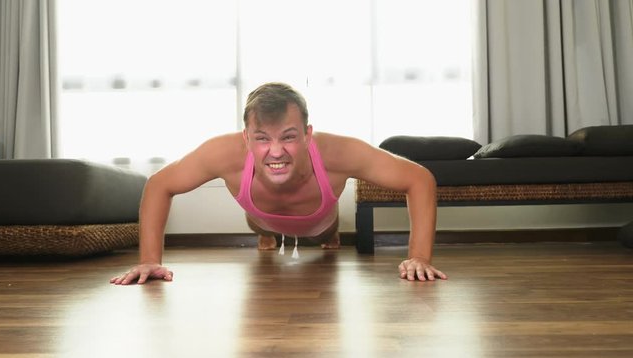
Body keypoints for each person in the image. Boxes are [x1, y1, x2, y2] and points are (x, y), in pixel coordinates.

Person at [111, 82, 447, 285]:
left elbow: (419, 179)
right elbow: (159, 185)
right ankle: (268, 234)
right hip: (260, 217)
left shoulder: (338, 151)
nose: (275, 151)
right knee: (260, 225)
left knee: (322, 236)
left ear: (307, 134)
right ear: (246, 138)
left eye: (288, 137)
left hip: (319, 222)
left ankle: (327, 235)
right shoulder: (222, 152)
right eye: (262, 139)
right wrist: (149, 260)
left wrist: (419, 257)